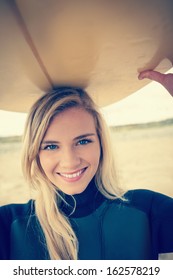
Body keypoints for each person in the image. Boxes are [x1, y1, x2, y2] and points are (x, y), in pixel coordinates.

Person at [0, 80, 173, 260]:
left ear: (101, 144)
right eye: (51, 146)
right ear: (35, 153)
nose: (70, 162)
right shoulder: (9, 225)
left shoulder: (147, 210)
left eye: (83, 141)